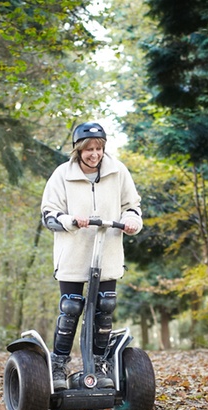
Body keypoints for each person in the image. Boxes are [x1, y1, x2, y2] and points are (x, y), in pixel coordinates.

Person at [41, 122, 143, 390]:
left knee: (105, 307)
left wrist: (131, 220)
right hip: (73, 252)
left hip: (107, 250)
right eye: (88, 150)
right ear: (78, 150)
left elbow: (133, 206)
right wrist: (71, 220)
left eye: (98, 148)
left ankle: (99, 365)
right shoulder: (62, 175)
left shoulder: (118, 171)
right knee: (71, 308)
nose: (94, 154)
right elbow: (48, 214)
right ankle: (59, 365)